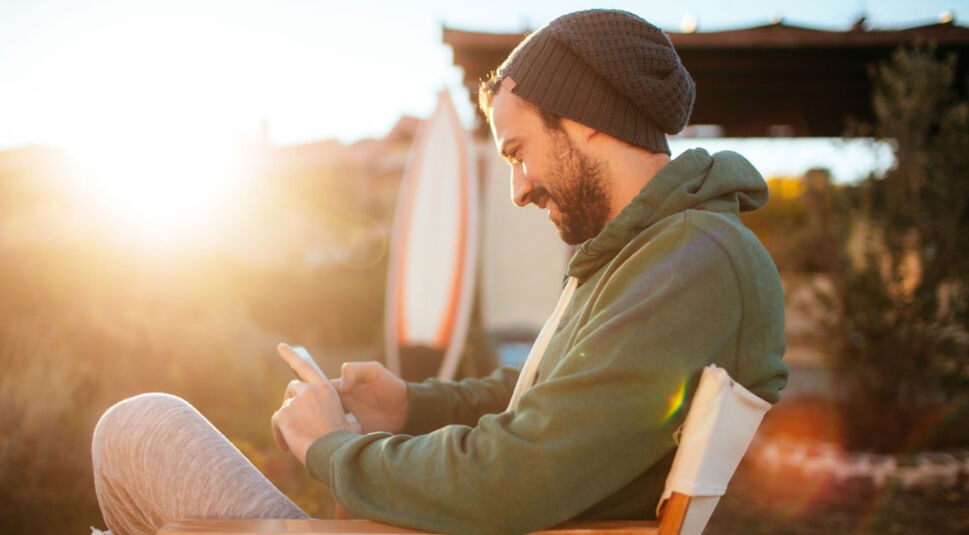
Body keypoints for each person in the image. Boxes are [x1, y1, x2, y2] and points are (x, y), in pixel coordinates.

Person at [91, 8, 788, 535]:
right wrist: (412, 406)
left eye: (518, 151)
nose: (516, 188)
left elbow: (520, 473)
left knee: (139, 428)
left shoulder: (695, 261)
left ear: (585, 118)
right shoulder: (653, 256)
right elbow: (560, 401)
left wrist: (330, 448)